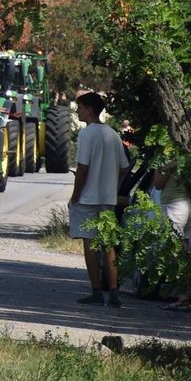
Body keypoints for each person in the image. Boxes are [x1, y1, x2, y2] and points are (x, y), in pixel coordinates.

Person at [68, 91, 131, 308]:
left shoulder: (86, 134)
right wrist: (108, 178)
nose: (78, 111)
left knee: (90, 244)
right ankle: (114, 293)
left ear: (90, 109)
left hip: (87, 198)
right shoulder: (113, 134)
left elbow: (83, 168)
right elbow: (124, 167)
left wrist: (75, 195)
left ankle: (96, 291)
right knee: (108, 244)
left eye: (81, 107)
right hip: (108, 198)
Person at [153, 162, 191, 311]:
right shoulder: (188, 151)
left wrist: (159, 168)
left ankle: (183, 297)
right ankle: (184, 296)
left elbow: (158, 184)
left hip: (174, 205)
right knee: (184, 251)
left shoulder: (166, 154)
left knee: (175, 251)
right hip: (188, 205)